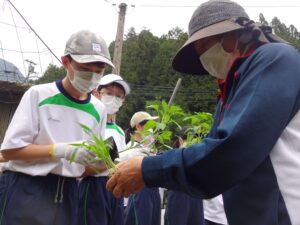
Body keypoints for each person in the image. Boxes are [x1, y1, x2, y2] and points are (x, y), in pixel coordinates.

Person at [106, 1, 300, 225]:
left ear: (232, 36)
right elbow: (211, 155)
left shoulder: (275, 60)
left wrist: (147, 169)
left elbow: (229, 152)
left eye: (204, 46)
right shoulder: (230, 89)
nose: (202, 57)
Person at [0, 30, 113, 225]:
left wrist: (111, 165)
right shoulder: (39, 95)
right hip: (28, 188)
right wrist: (61, 150)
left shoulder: (98, 109)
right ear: (66, 62)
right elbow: (10, 151)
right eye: (85, 68)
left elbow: (88, 166)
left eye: (99, 71)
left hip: (69, 193)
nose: (92, 76)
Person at [78, 73, 130, 225]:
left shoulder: (119, 131)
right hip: (93, 186)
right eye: (109, 93)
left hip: (116, 187)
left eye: (119, 96)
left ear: (123, 101)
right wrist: (105, 163)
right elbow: (78, 167)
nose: (114, 99)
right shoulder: (86, 124)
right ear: (96, 93)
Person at [120, 111, 161, 225]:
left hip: (153, 193)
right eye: (149, 126)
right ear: (138, 126)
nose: (152, 130)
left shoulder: (149, 148)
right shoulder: (131, 150)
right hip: (139, 194)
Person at [164, 127, 205, 225]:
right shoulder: (172, 155)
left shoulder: (200, 155)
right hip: (179, 197)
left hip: (196, 198)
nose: (192, 142)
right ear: (180, 140)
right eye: (188, 139)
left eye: (195, 139)